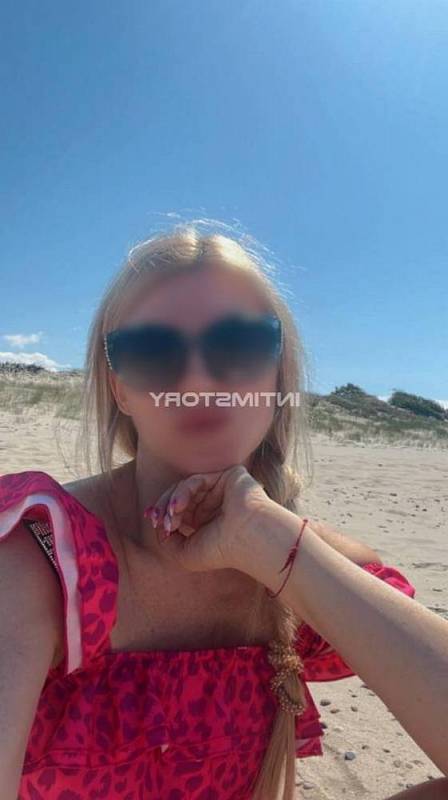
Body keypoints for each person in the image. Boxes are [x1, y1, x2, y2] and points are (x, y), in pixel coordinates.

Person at [1, 221, 447, 800]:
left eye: (238, 344)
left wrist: (269, 540)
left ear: (278, 377)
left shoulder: (299, 557)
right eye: (153, 350)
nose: (199, 380)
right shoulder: (43, 556)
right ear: (120, 389)